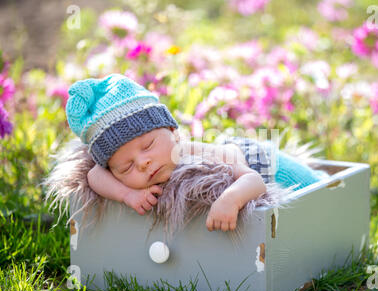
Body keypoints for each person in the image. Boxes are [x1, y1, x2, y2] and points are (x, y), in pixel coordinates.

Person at [65, 74, 327, 232]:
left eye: (148, 146)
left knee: (320, 188)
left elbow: (254, 181)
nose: (143, 163)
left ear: (172, 131)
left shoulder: (192, 152)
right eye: (126, 167)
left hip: (262, 161)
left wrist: (231, 199)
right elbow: (93, 175)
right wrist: (128, 194)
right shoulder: (118, 172)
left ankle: (325, 179)